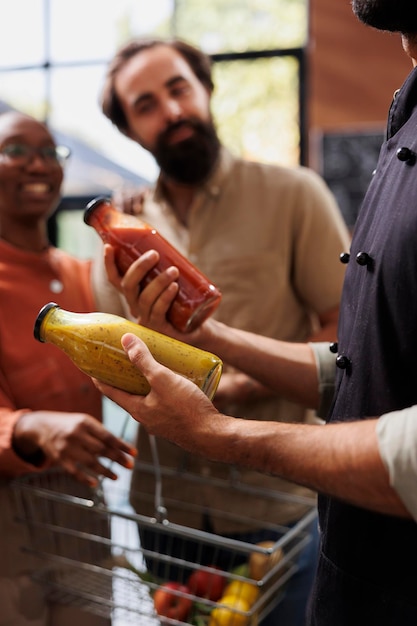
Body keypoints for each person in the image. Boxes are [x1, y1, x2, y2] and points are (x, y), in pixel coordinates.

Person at [93, 2, 417, 623]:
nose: (172, 111)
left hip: (276, 511)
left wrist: (225, 397)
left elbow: (347, 335)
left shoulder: (292, 193)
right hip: (171, 512)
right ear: (130, 131)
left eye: (178, 88)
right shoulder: (125, 231)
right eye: (146, 105)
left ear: (206, 90)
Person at [0, 110, 137, 626]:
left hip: (82, 503)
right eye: (16, 150)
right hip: (8, 518)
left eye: (49, 152)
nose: (37, 163)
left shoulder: (80, 274)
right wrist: (29, 425)